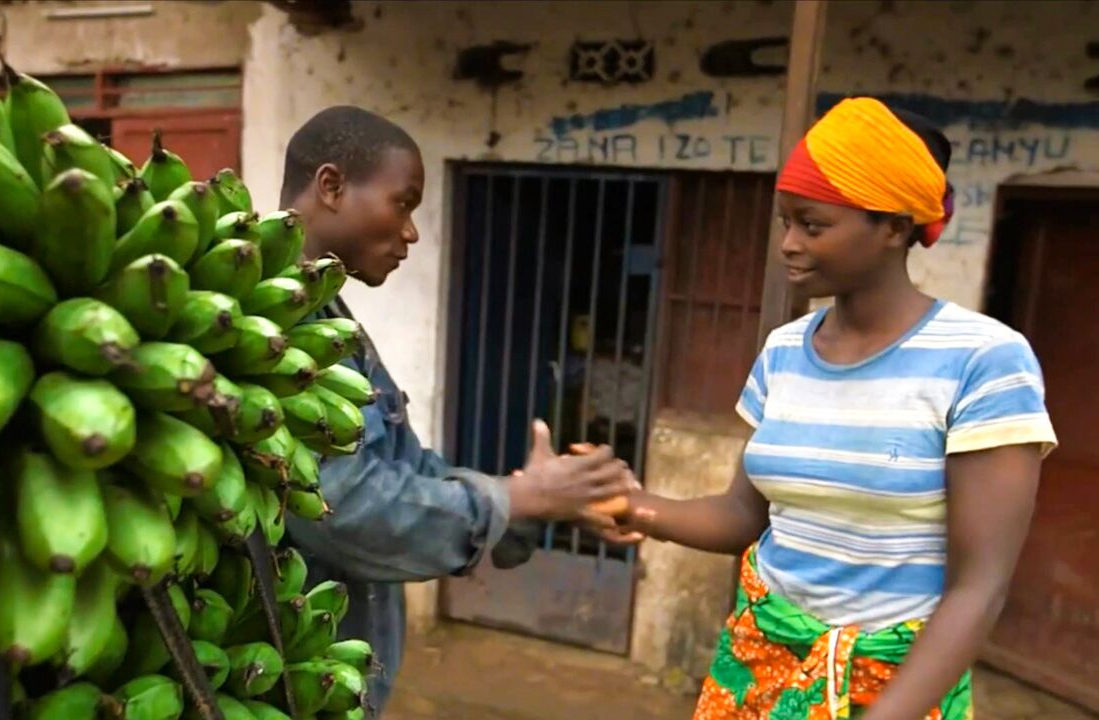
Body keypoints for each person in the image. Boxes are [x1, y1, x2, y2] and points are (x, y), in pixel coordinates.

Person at [599, 98, 1057, 719]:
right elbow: (743, 515)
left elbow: (979, 589)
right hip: (757, 671)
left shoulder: (983, 359)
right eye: (785, 221)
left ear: (894, 227)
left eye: (812, 226)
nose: (788, 244)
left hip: (895, 689)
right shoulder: (785, 351)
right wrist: (633, 506)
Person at [276, 106, 633, 715]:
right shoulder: (273, 332)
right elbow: (339, 506)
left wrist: (529, 495)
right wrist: (515, 501)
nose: (412, 232)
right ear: (331, 187)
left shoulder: (330, 319)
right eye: (403, 203)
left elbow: (404, 468)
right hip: (279, 683)